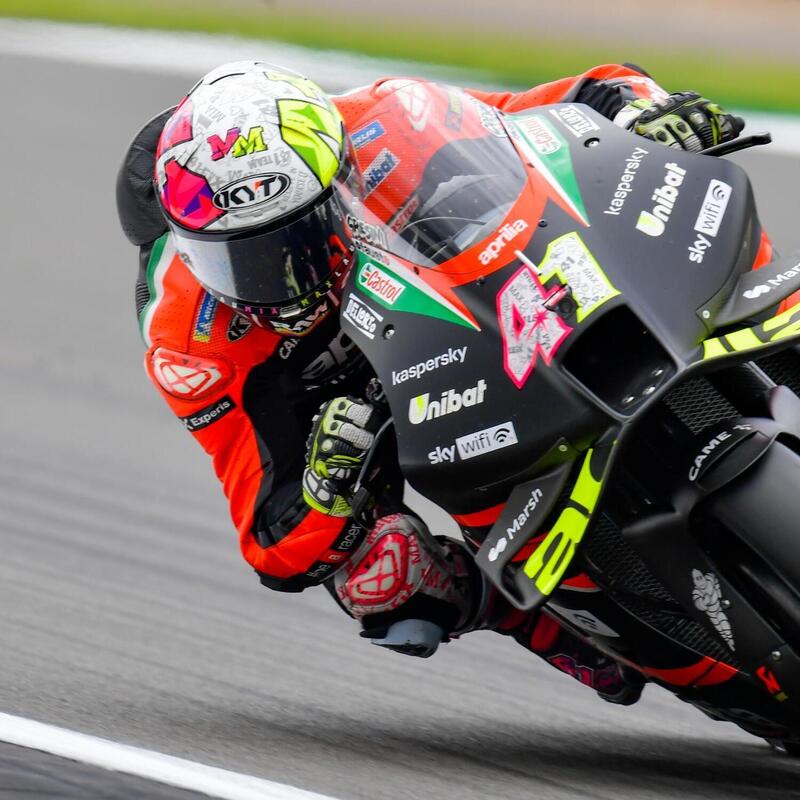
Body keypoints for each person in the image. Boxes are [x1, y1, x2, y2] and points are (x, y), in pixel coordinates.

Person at [117, 60, 746, 704]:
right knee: (381, 575)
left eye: (293, 240)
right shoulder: (188, 342)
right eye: (235, 258)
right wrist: (326, 482)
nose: (276, 281)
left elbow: (569, 107)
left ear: (336, 181)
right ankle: (534, 619)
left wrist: (645, 113)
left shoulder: (386, 119)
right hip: (363, 410)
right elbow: (271, 539)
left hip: (476, 303)